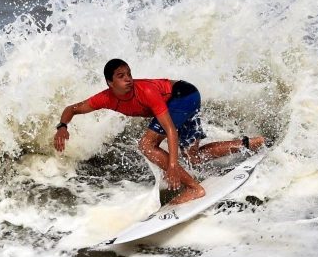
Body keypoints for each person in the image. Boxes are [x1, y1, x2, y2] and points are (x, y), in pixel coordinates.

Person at [53, 59, 265, 204]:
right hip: (185, 96)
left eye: (129, 74)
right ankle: (252, 143)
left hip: (183, 95)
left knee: (146, 144)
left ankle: (194, 188)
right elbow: (72, 109)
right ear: (110, 82)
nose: (128, 79)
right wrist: (63, 127)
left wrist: (172, 166)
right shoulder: (104, 98)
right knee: (194, 157)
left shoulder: (145, 91)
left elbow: (170, 130)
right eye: (121, 76)